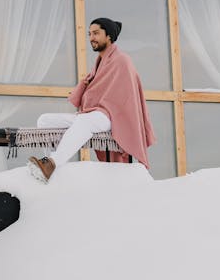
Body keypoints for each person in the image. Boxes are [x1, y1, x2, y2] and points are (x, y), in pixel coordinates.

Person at [28, 18, 156, 183]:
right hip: (94, 114)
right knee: (45, 120)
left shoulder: (122, 60)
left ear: (108, 36)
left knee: (86, 122)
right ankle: (49, 168)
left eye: (96, 33)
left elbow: (127, 97)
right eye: (89, 34)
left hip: (113, 117)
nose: (91, 38)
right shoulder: (99, 63)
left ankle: (52, 164)